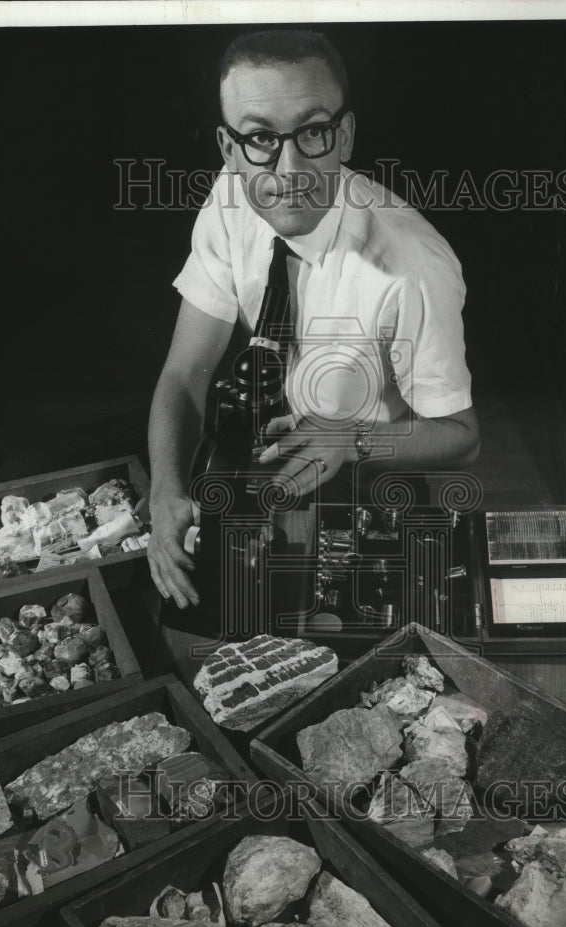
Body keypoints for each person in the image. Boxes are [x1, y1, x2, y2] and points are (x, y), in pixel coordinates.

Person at [147, 29, 480, 609]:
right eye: (260, 138)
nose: (290, 168)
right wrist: (165, 493)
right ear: (229, 148)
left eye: (313, 132)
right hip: (263, 428)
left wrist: (350, 439)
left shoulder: (413, 267)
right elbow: (185, 372)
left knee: (267, 605)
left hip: (363, 462)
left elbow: (462, 437)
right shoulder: (230, 197)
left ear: (344, 135)